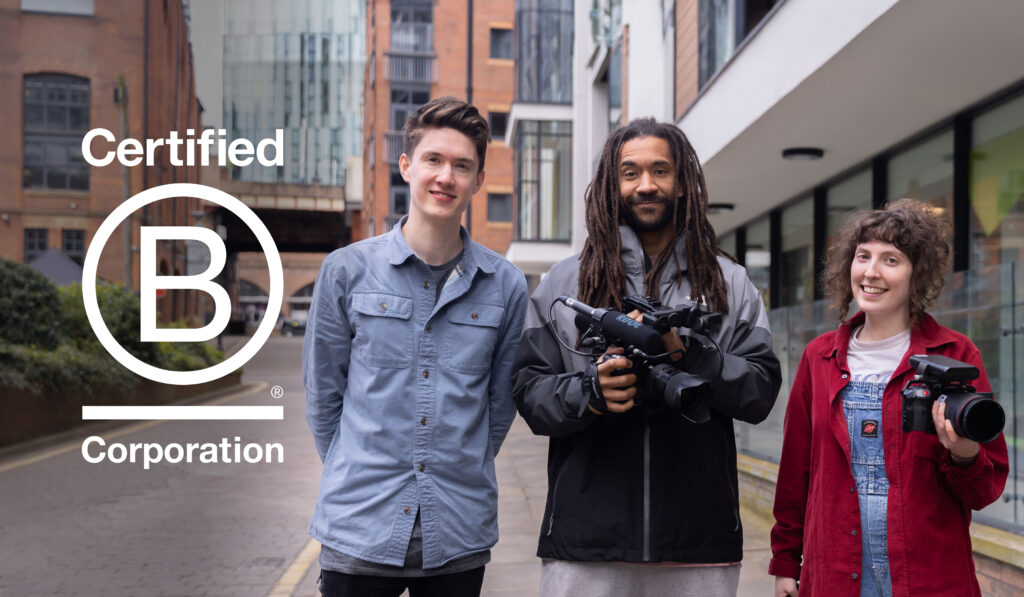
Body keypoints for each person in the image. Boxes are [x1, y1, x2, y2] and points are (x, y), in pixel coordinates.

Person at [512, 117, 782, 597]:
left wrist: (695, 357)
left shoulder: (728, 282)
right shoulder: (564, 282)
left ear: (683, 183)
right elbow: (530, 392)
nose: (646, 185)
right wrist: (591, 392)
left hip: (699, 542)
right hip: (586, 543)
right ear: (612, 185)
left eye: (661, 170)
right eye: (630, 171)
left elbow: (760, 390)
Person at [303, 96, 528, 597]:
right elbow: (323, 398)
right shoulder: (345, 272)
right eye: (434, 160)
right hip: (358, 529)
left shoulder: (506, 286)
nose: (446, 176)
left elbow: (499, 406)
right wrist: (358, 465)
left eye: (462, 166)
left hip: (457, 536)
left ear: (478, 180)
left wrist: (457, 463)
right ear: (407, 166)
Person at [769, 199, 1009, 597]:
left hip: (928, 575)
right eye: (863, 256)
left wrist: (964, 453)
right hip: (834, 573)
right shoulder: (819, 357)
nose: (871, 272)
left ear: (917, 274)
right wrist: (784, 563)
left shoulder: (956, 355)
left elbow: (984, 490)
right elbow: (796, 473)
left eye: (891, 260)